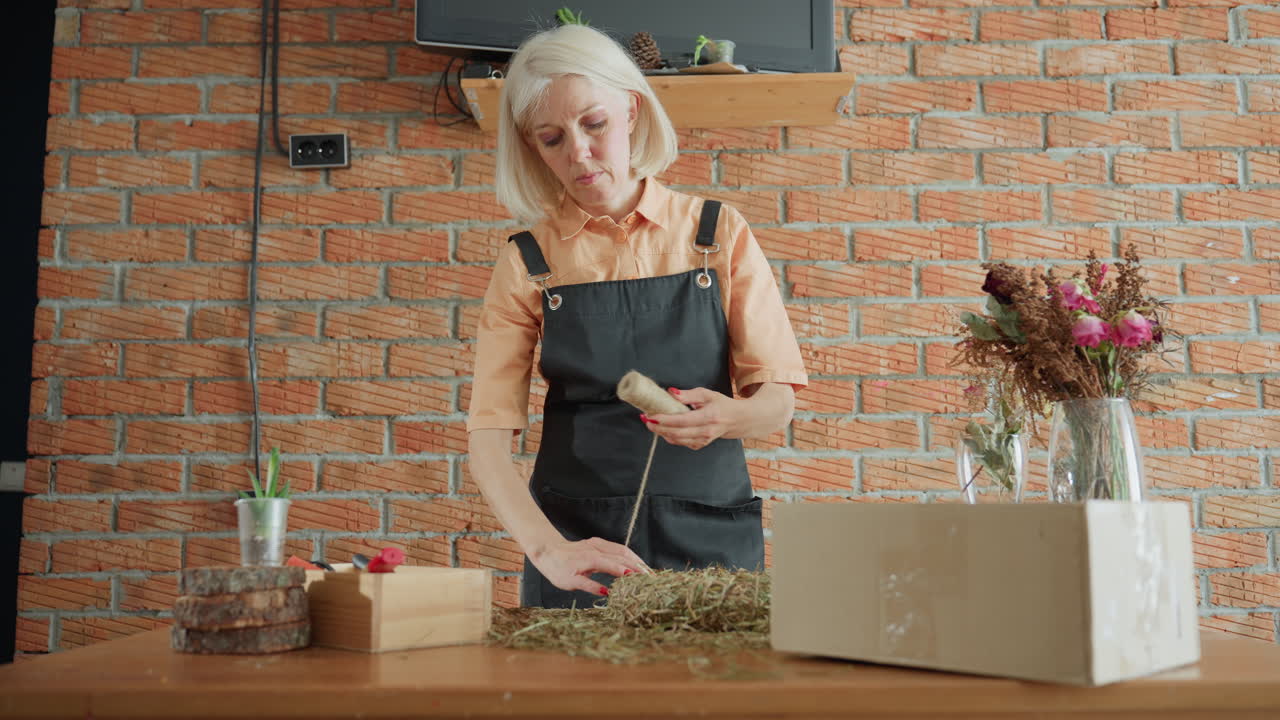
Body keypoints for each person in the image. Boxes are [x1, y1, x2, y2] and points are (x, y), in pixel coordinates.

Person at [466, 24, 808, 609]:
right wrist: (549, 551)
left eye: (593, 124)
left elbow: (778, 401)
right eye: (551, 138)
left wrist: (727, 418)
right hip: (580, 548)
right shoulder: (529, 261)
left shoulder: (716, 234)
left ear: (631, 109)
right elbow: (488, 444)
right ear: (531, 146)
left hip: (710, 536)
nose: (578, 153)